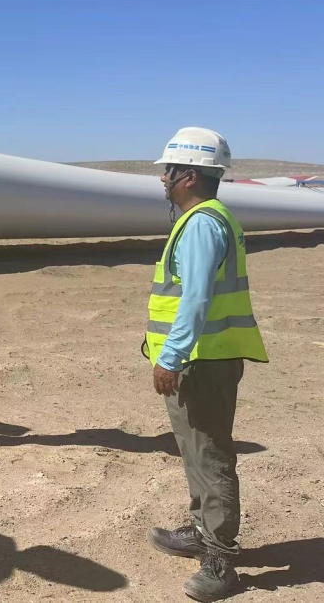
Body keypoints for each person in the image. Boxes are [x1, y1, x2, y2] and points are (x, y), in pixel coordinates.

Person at [143, 127, 268, 603]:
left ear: (189, 176)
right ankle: (201, 531)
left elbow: (194, 300)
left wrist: (170, 358)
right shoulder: (211, 218)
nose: (163, 180)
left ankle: (220, 559)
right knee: (196, 451)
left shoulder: (200, 225)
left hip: (201, 362)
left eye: (168, 172)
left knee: (210, 455)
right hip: (205, 358)